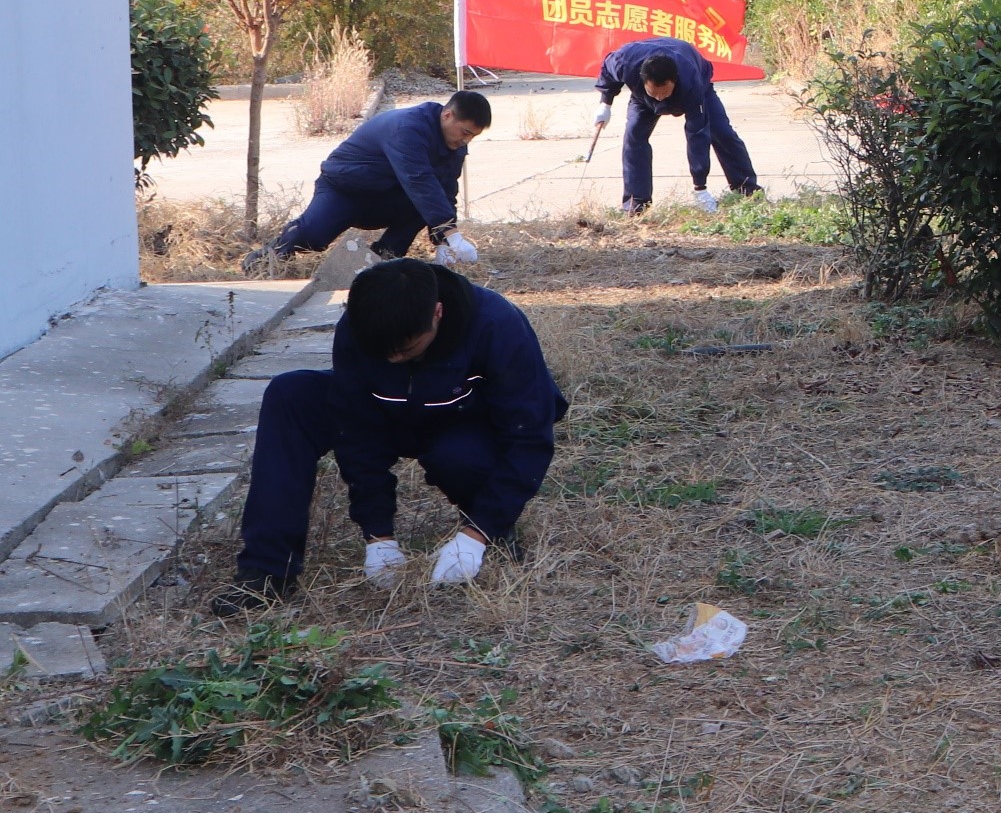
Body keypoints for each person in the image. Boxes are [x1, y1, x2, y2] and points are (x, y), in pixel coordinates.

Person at [214, 257, 569, 612]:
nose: (394, 359)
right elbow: (354, 428)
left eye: (406, 349)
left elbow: (528, 437)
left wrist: (480, 531)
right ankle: (267, 570)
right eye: (382, 352)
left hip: (463, 423)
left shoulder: (496, 324)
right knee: (289, 394)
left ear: (438, 313)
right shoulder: (359, 325)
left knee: (458, 457)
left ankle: (490, 533)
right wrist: (377, 535)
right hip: (386, 413)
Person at [259, 91, 489, 268]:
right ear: (448, 115)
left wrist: (443, 242)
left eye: (473, 136)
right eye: (465, 132)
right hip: (345, 189)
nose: (466, 141)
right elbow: (418, 180)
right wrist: (452, 234)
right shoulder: (408, 127)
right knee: (312, 237)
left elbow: (445, 190)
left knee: (426, 203)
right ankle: (268, 257)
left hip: (386, 195)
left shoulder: (454, 144)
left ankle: (382, 262)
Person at [594, 36, 760, 214]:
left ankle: (747, 190)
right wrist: (605, 104)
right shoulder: (626, 61)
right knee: (633, 137)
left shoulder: (690, 82)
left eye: (664, 92)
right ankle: (636, 203)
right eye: (654, 92)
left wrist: (700, 187)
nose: (659, 98)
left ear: (675, 80)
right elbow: (608, 70)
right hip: (642, 99)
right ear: (643, 80)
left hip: (697, 85)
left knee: (722, 133)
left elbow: (697, 134)